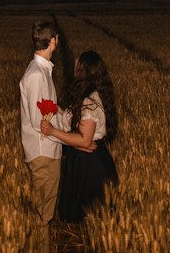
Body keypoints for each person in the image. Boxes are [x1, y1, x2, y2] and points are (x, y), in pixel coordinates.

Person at [42, 48, 118, 227]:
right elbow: (77, 128)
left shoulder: (89, 102)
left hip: (90, 167)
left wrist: (53, 131)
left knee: (90, 219)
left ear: (84, 72)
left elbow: (85, 140)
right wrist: (55, 109)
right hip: (87, 160)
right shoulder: (90, 97)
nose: (75, 68)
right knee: (90, 221)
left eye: (78, 66)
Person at [19, 18, 63, 252]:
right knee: (42, 214)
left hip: (48, 148)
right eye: (57, 39)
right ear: (53, 41)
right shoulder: (37, 74)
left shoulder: (42, 70)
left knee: (45, 211)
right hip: (43, 151)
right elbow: (41, 122)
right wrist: (65, 129)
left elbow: (48, 109)